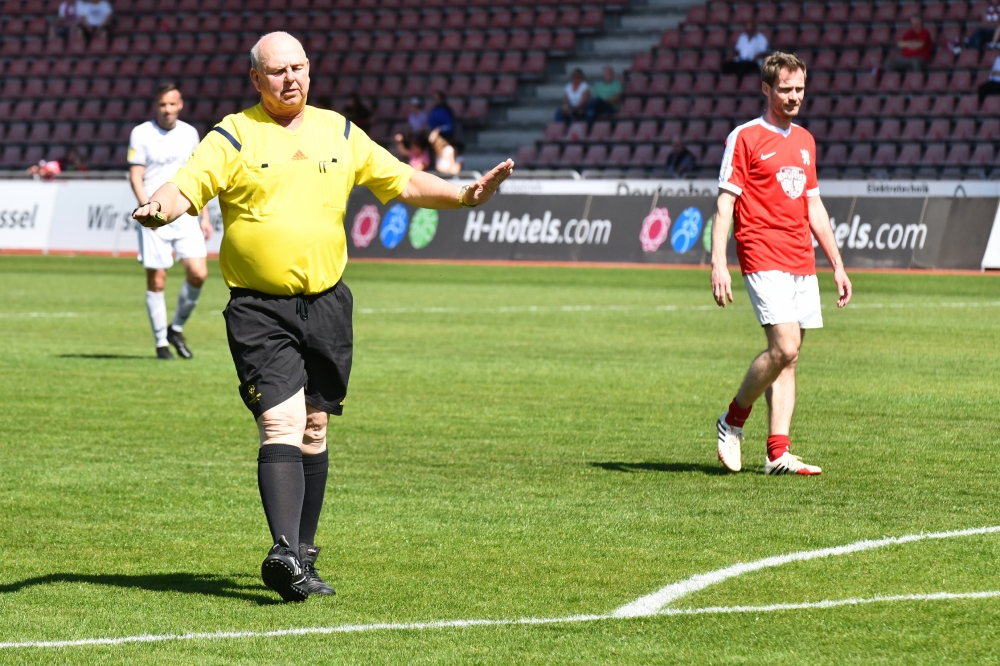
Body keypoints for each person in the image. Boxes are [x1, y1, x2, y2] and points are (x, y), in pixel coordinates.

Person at [131, 32, 513, 603]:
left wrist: (463, 194)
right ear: (255, 79)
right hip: (261, 308)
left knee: (315, 426)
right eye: (278, 71)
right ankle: (283, 548)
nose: (291, 79)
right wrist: (161, 207)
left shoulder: (337, 129)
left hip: (328, 302)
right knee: (281, 422)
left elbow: (403, 179)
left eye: (300, 67)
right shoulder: (234, 133)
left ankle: (302, 556)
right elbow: (188, 185)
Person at [711, 52, 852, 476]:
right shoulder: (746, 137)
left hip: (800, 258)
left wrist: (837, 265)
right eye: (786, 90)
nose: (794, 97)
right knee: (785, 345)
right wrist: (718, 262)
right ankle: (733, 419)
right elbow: (725, 204)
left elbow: (814, 206)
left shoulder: (806, 141)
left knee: (789, 358)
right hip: (761, 251)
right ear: (766, 89)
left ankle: (777, 453)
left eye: (800, 90)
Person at [128, 82, 212, 361]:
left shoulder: (190, 134)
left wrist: (206, 216)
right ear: (157, 106)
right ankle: (162, 344)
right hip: (154, 216)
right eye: (163, 104)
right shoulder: (141, 133)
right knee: (158, 279)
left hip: (185, 212)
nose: (167, 109)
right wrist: (147, 208)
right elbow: (136, 176)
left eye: (172, 104)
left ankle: (176, 328)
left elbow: (199, 177)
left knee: (198, 273)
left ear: (180, 105)